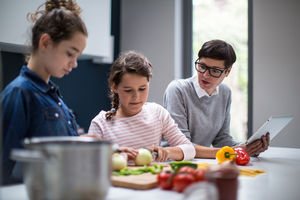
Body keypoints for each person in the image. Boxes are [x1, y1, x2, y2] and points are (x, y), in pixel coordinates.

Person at [1, 0, 88, 184]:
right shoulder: (19, 93)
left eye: (77, 56)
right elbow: (4, 169)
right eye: (70, 54)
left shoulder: (53, 98)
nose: (75, 63)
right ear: (46, 42)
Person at [163, 39, 269, 158]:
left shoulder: (225, 92)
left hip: (201, 162)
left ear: (227, 72)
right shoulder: (178, 89)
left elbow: (222, 139)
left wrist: (250, 148)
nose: (205, 75)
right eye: (202, 66)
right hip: (172, 161)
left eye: (214, 71)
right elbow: (182, 146)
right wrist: (235, 151)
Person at [88, 51, 195, 162]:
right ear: (115, 87)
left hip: (149, 179)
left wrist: (167, 152)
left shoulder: (157, 113)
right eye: (128, 90)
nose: (136, 97)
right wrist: (115, 155)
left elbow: (190, 150)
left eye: (142, 89)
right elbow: (88, 161)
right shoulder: (100, 123)